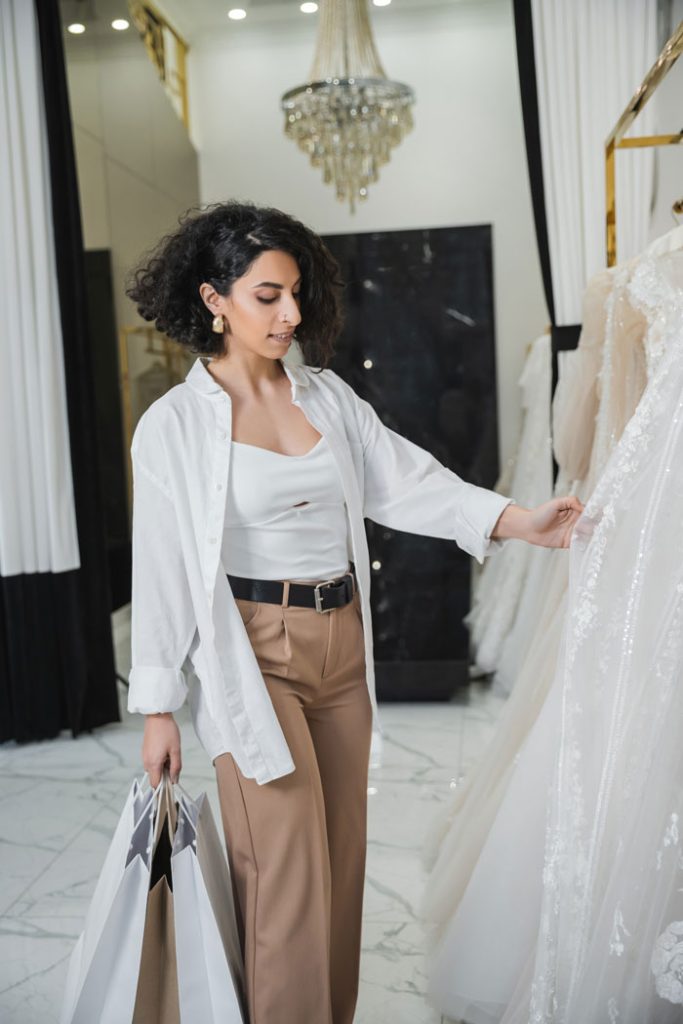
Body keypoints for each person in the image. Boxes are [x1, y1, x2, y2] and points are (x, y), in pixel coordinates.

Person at [125, 200, 583, 1024]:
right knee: (286, 874)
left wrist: (518, 521)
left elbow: (405, 481)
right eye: (267, 296)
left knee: (338, 863)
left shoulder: (324, 395)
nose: (290, 314)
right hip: (255, 654)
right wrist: (158, 707)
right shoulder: (175, 427)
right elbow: (159, 565)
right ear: (213, 298)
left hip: (341, 645)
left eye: (296, 293)